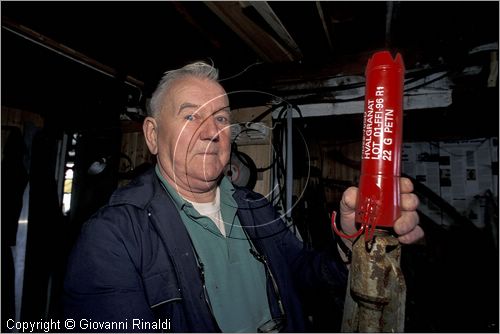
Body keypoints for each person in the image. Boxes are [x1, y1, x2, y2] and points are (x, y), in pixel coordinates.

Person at [63, 62, 424, 332]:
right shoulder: (111, 237)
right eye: (191, 116)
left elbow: (308, 275)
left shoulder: (256, 209)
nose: (211, 132)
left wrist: (350, 239)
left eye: (221, 119)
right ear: (153, 136)